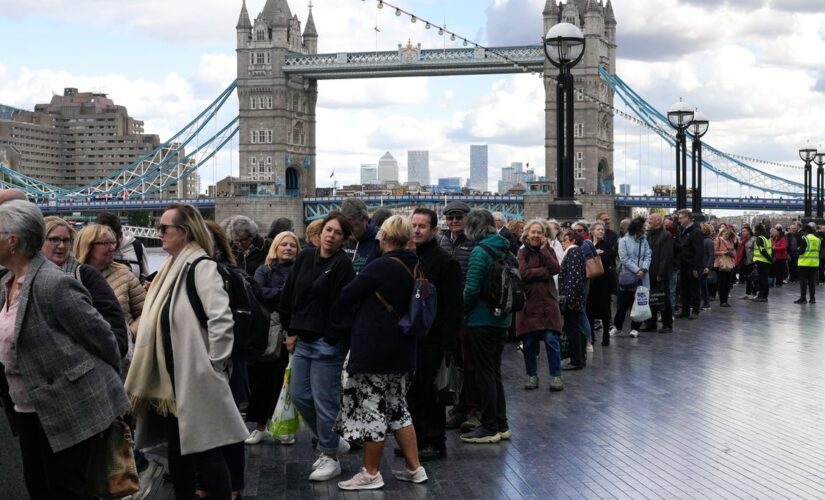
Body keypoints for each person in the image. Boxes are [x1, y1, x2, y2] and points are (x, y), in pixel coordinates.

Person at [0, 200, 129, 499]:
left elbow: (105, 340)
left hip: (68, 408)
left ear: (13, 240)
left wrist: (106, 389)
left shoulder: (54, 284)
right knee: (39, 486)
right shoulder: (7, 282)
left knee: (67, 490)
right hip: (28, 408)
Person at [126, 203, 248, 500]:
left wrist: (213, 365)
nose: (159, 233)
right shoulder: (170, 268)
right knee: (178, 453)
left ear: (184, 232)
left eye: (165, 228)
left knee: (207, 451)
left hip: (195, 377)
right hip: (171, 383)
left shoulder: (201, 267)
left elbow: (221, 320)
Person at [335, 216, 428, 490]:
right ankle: (415, 467)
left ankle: (371, 472)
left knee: (371, 409)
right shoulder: (416, 266)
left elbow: (346, 295)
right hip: (403, 350)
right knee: (399, 408)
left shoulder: (380, 267)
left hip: (375, 351)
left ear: (384, 235)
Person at [279, 211, 355, 482]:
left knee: (326, 402)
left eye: (337, 232)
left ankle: (330, 456)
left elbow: (344, 306)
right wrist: (290, 329)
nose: (331, 235)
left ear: (343, 239)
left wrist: (333, 336)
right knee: (300, 396)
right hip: (301, 340)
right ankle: (332, 439)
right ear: (320, 232)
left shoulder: (343, 264)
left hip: (326, 343)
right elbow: (289, 294)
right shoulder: (305, 257)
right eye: (328, 230)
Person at [405, 208, 462, 461]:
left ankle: (434, 441)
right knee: (414, 391)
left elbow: (453, 307)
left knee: (431, 392)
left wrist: (448, 345)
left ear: (434, 231)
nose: (416, 230)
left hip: (434, 338)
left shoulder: (445, 262)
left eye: (422, 226)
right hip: (413, 336)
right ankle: (416, 440)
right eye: (414, 225)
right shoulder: (408, 259)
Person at [42, 216, 129, 358]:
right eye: (54, 239)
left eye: (66, 240)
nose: (62, 246)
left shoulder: (85, 275)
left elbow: (116, 331)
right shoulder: (18, 278)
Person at [459, 209, 511, 444]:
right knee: (494, 372)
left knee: (484, 374)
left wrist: (461, 310)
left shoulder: (479, 252)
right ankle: (501, 423)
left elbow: (471, 289)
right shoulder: (504, 248)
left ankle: (489, 426)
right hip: (501, 319)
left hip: (481, 319)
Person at [245, 231, 300, 445]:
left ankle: (285, 426)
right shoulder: (263, 269)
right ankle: (260, 426)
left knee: (287, 382)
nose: (288, 248)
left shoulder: (300, 270)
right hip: (268, 333)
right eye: (284, 244)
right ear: (275, 248)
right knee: (261, 382)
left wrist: (276, 293)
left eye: (292, 245)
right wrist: (284, 293)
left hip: (293, 331)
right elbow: (258, 293)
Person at [438, 201, 481, 432]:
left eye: (458, 217)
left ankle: (474, 410)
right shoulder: (442, 241)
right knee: (455, 364)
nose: (454, 221)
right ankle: (458, 407)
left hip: (467, 312)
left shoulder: (474, 242)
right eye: (450, 217)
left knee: (470, 364)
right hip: (447, 313)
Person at [75, 223, 146, 342]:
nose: (113, 248)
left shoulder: (125, 275)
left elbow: (146, 313)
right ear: (88, 246)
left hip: (122, 355)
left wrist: (128, 335)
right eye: (105, 243)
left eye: (113, 242)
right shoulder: (70, 277)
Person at [517, 219, 563, 391]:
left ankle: (556, 376)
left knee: (552, 340)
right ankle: (532, 375)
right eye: (533, 232)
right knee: (529, 343)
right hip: (529, 304)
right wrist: (544, 272)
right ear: (527, 234)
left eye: (539, 232)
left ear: (545, 235)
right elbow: (523, 273)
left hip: (547, 303)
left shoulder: (548, 250)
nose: (536, 235)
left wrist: (544, 252)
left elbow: (556, 268)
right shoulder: (522, 252)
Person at [610, 217, 651, 338]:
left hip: (642, 277)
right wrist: (637, 270)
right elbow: (624, 258)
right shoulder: (623, 241)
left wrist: (643, 269)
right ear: (637, 228)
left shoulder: (645, 241)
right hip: (628, 276)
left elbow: (648, 256)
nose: (645, 229)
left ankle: (635, 328)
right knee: (623, 304)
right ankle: (617, 327)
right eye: (643, 227)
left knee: (639, 302)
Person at [559, 230, 589, 369]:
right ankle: (578, 359)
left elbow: (573, 277)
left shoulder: (573, 253)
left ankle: (576, 360)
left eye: (564, 240)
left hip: (572, 300)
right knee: (574, 328)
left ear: (572, 241)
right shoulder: (575, 253)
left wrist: (568, 299)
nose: (562, 243)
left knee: (573, 330)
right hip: (574, 298)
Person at [642, 213, 674, 333]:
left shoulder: (666, 235)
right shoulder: (649, 235)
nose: (648, 221)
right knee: (651, 299)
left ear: (658, 221)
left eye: (651, 219)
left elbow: (666, 256)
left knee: (664, 299)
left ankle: (667, 324)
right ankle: (651, 323)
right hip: (649, 272)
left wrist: (660, 273)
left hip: (660, 274)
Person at [96, 212, 150, 282]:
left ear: (120, 235)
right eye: (103, 242)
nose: (110, 247)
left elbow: (145, 276)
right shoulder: (94, 247)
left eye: (112, 241)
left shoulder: (137, 247)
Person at [587, 221, 616, 344]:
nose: (600, 231)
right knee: (590, 308)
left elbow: (609, 258)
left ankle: (606, 334)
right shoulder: (588, 244)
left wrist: (599, 254)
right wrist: (596, 253)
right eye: (598, 229)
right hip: (590, 280)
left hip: (603, 280)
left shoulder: (606, 244)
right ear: (593, 231)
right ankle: (591, 335)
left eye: (602, 230)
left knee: (604, 308)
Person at [341, 198, 381, 274]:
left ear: (365, 219)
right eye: (346, 227)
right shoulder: (340, 238)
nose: (349, 232)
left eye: (353, 227)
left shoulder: (379, 241)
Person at [676, 209, 703, 319]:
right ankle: (685, 310)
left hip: (692, 266)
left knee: (694, 289)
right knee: (684, 289)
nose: (680, 220)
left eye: (681, 218)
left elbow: (699, 251)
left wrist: (696, 268)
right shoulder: (683, 230)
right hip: (683, 265)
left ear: (688, 217)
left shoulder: (695, 231)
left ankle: (695, 311)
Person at [795, 223, 820, 304]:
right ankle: (812, 298)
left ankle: (803, 298)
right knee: (811, 281)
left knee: (803, 281)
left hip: (804, 263)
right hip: (814, 264)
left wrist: (798, 250)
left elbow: (801, 251)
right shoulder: (818, 239)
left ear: (806, 231)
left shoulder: (805, 239)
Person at [714, 227, 736, 307]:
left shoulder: (730, 241)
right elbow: (715, 252)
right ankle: (722, 301)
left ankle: (725, 300)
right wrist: (725, 252)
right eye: (726, 234)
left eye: (728, 234)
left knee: (727, 283)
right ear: (722, 233)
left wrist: (732, 252)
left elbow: (734, 252)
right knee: (722, 282)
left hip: (729, 263)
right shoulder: (717, 240)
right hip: (720, 264)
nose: (727, 235)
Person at [752, 224, 772, 302]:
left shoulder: (759, 239)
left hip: (761, 261)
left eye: (754, 230)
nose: (754, 231)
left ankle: (762, 296)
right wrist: (771, 259)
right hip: (766, 262)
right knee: (765, 279)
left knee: (762, 280)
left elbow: (762, 250)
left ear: (757, 230)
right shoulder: (767, 238)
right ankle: (763, 295)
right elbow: (770, 249)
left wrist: (770, 259)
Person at [737, 226, 756, 300]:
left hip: (751, 261)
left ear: (749, 231)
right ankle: (747, 293)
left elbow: (756, 250)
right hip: (744, 261)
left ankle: (753, 293)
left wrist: (755, 261)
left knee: (752, 278)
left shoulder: (754, 239)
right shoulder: (743, 240)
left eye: (744, 231)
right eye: (742, 231)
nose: (742, 232)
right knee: (747, 278)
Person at [699, 224, 715, 310]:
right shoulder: (706, 240)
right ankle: (706, 302)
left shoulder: (708, 241)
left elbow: (711, 255)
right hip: (702, 265)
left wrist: (708, 267)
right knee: (702, 285)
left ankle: (706, 303)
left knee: (702, 285)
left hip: (704, 266)